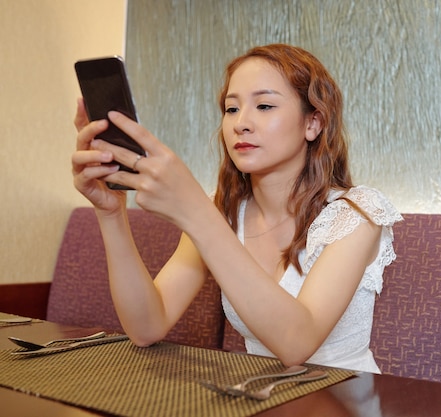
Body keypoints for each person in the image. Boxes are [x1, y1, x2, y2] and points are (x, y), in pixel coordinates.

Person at [72, 43, 402, 373]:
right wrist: (111, 213)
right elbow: (146, 327)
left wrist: (195, 210)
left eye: (265, 105)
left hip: (343, 397)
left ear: (312, 123)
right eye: (231, 109)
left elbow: (297, 343)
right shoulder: (225, 212)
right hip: (261, 396)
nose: (241, 123)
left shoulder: (357, 213)